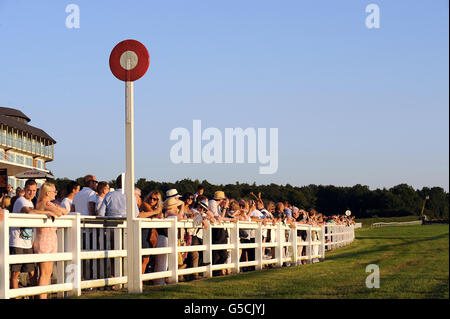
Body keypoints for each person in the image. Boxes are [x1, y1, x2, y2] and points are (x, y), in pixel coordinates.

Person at [9, 179, 49, 292]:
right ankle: (15, 296)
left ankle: (34, 295)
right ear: (24, 190)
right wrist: (47, 212)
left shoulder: (31, 202)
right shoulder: (21, 200)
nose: (31, 193)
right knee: (15, 273)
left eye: (33, 190)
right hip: (17, 242)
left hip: (27, 242)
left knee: (32, 272)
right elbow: (30, 212)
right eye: (29, 190)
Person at [33, 182, 68, 299]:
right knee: (45, 273)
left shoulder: (41, 203)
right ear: (48, 193)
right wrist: (54, 207)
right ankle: (42, 297)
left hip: (47, 239)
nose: (56, 193)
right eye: (54, 191)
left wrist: (54, 206)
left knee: (47, 273)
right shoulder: (46, 203)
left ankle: (44, 296)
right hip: (45, 240)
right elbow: (61, 212)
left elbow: (65, 211)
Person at [153, 196, 184, 285]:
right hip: (164, 238)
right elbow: (180, 217)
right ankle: (160, 282)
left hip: (162, 238)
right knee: (163, 263)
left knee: (161, 262)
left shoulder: (166, 212)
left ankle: (158, 281)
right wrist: (182, 206)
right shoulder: (170, 212)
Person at [138, 191, 163, 274]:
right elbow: (157, 215)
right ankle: (140, 278)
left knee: (146, 258)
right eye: (150, 198)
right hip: (143, 232)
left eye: (155, 199)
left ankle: (142, 277)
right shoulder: (145, 205)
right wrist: (157, 211)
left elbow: (159, 215)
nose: (151, 200)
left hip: (148, 233)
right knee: (144, 258)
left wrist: (158, 210)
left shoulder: (153, 209)